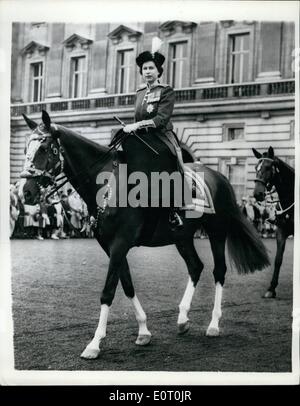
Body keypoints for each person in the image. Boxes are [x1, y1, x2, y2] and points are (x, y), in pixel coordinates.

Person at [122, 50, 189, 229]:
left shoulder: (166, 91)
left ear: (158, 71)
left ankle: (174, 208)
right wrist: (130, 129)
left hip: (161, 136)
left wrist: (137, 126)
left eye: (151, 68)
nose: (148, 71)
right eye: (144, 68)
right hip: (142, 137)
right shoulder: (139, 92)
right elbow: (138, 117)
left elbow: (161, 119)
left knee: (171, 158)